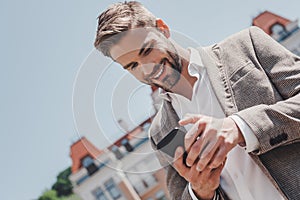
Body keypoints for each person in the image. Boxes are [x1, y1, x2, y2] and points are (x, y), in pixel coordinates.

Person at [94, 1, 300, 200]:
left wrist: (240, 127)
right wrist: (201, 192)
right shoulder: (161, 132)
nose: (147, 69)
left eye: (147, 50)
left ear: (162, 29)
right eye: (132, 66)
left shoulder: (246, 45)